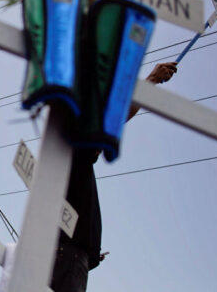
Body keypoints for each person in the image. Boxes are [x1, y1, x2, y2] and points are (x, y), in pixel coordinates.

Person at [51, 62, 178, 292]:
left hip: (72, 256)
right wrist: (151, 81)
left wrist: (90, 253)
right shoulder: (74, 146)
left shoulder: (73, 160)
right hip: (67, 256)